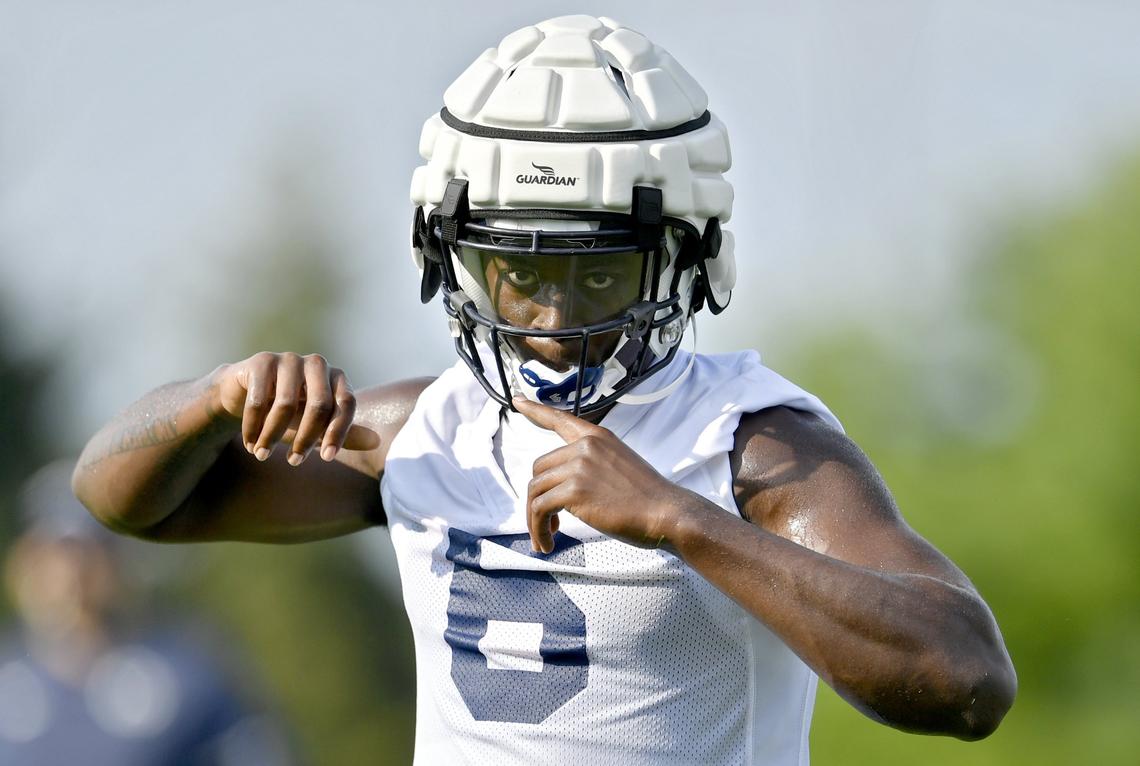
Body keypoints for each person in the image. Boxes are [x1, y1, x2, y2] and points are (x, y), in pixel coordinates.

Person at [73, 15, 1016, 765]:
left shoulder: (752, 443)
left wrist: (682, 520)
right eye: (519, 274)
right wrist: (207, 400)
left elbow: (966, 680)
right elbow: (132, 505)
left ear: (687, 262)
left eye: (598, 275)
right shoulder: (424, 431)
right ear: (450, 259)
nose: (555, 323)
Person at [3, 461, 294, 765]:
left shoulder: (192, 673)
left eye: (91, 553)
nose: (73, 574)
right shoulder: (8, 678)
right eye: (59, 554)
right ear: (25, 561)